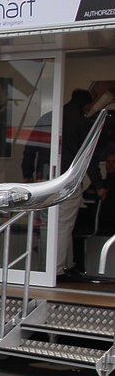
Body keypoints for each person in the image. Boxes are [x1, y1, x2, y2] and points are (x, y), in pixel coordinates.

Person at [58, 89, 105, 278]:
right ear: (86, 105)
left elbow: (32, 145)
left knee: (49, 225)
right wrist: (98, 182)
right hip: (68, 180)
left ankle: (47, 268)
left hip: (47, 178)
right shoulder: (80, 121)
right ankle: (58, 269)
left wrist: (29, 171)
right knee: (64, 225)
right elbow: (88, 155)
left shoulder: (55, 115)